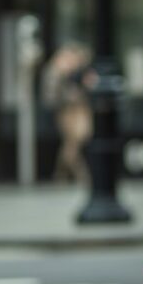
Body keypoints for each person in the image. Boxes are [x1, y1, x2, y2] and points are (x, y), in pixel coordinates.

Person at [41, 42, 94, 184]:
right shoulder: (55, 71)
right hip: (66, 111)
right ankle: (82, 175)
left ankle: (61, 174)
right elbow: (51, 96)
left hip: (78, 109)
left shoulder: (75, 70)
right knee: (72, 143)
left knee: (73, 142)